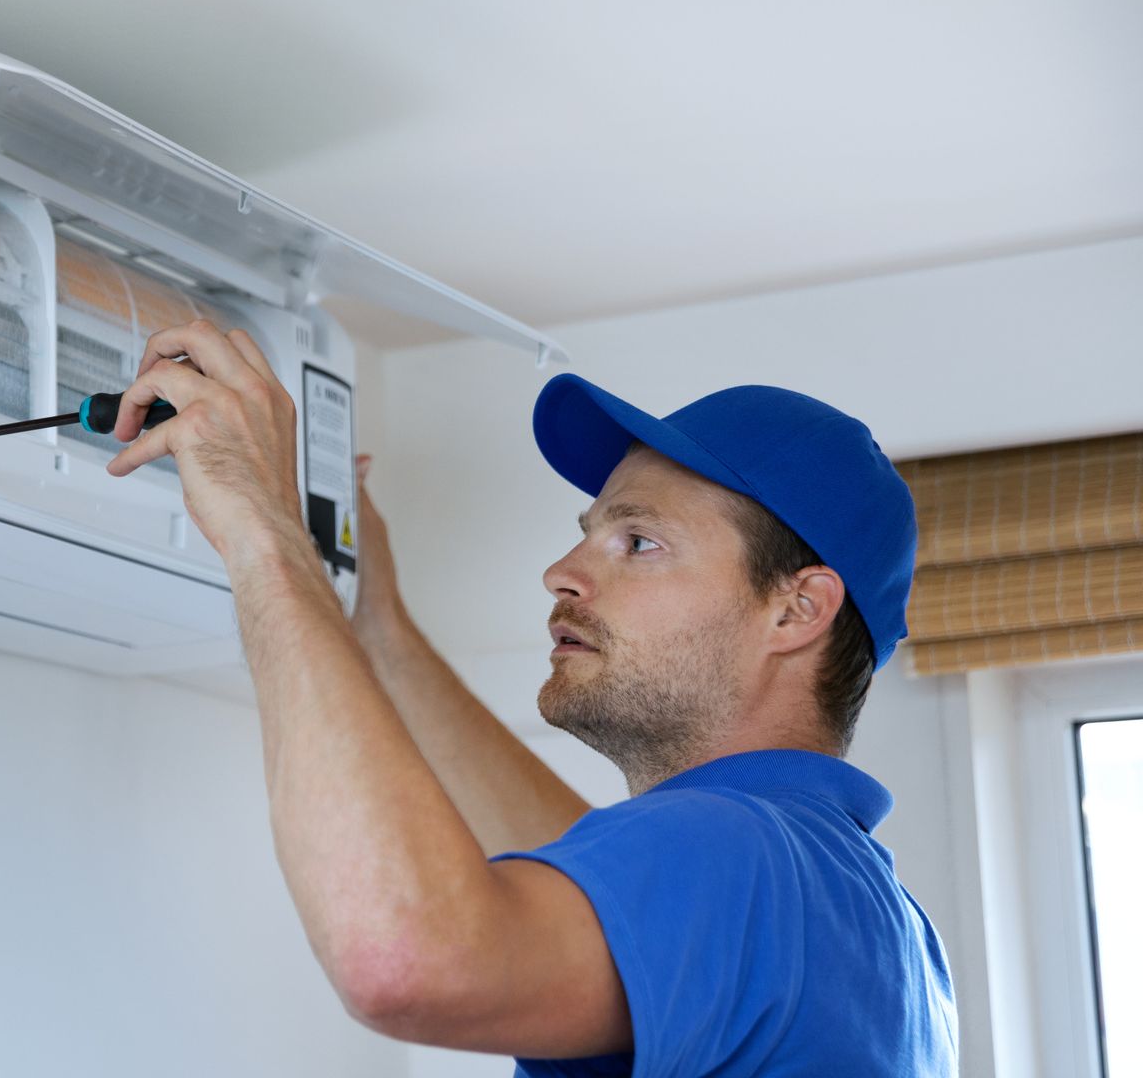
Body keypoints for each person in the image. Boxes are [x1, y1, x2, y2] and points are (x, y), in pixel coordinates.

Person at [104, 320, 959, 1075]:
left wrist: (264, 529)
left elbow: (402, 960)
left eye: (639, 541)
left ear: (796, 608)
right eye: (588, 533)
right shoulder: (860, 909)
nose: (563, 572)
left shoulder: (735, 854)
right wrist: (380, 635)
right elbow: (586, 864)